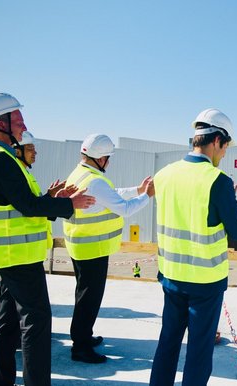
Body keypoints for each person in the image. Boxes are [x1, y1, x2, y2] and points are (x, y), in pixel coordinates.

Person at [0, 92, 95, 386]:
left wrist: (51, 198)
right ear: (1, 122)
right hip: (16, 256)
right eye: (18, 118)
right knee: (36, 323)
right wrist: (68, 206)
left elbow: (22, 203)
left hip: (9, 255)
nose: (23, 123)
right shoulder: (0, 159)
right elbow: (27, 206)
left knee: (8, 323)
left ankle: (1, 381)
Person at [150, 108, 237, 386]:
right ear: (216, 141)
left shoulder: (164, 175)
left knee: (167, 343)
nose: (225, 154)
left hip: (171, 277)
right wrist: (229, 202)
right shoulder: (219, 182)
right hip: (205, 283)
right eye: (226, 147)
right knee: (199, 351)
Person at [63, 133, 154, 363]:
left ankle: (83, 336)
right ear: (99, 158)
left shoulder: (81, 174)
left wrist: (137, 189)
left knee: (84, 295)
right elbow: (123, 208)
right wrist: (146, 196)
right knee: (89, 299)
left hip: (81, 246)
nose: (109, 162)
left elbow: (111, 196)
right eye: (107, 157)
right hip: (93, 248)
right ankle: (81, 347)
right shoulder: (95, 181)